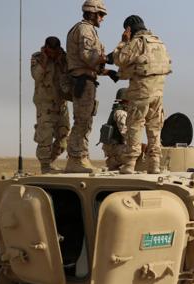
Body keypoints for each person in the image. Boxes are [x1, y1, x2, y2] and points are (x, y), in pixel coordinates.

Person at [112, 15, 172, 174]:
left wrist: (123, 42)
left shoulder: (137, 42)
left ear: (129, 29)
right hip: (158, 93)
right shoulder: (159, 43)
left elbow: (119, 58)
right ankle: (154, 165)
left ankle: (130, 164)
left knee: (135, 124)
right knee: (154, 128)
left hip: (141, 92)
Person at [65, 0, 117, 173]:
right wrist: (112, 56)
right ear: (92, 13)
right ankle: (75, 159)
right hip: (83, 81)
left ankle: (80, 157)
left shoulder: (88, 30)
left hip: (87, 79)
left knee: (85, 121)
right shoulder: (84, 29)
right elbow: (88, 57)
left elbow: (91, 64)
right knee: (82, 121)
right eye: (101, 14)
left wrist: (108, 72)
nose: (102, 18)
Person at [30, 36, 70, 174]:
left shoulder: (64, 58)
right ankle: (45, 166)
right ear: (46, 48)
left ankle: (51, 161)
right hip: (45, 104)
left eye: (55, 51)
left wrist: (61, 61)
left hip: (61, 103)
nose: (53, 54)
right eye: (50, 51)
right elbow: (36, 76)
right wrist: (45, 61)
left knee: (63, 137)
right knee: (45, 136)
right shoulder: (37, 57)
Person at [101, 88, 128, 171]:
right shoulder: (121, 113)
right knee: (137, 150)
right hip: (115, 147)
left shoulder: (116, 111)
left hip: (111, 146)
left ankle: (114, 162)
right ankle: (114, 161)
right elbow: (124, 132)